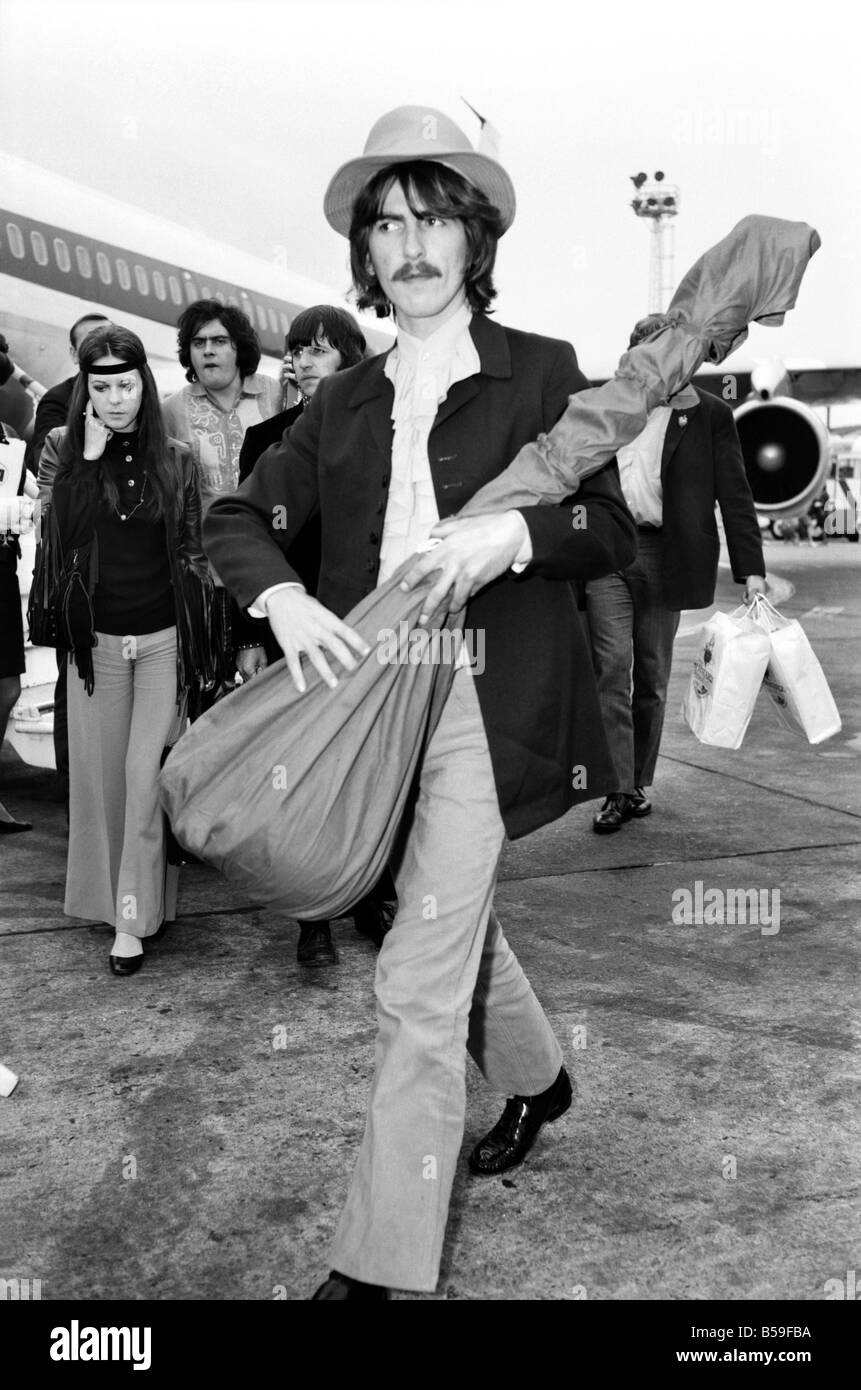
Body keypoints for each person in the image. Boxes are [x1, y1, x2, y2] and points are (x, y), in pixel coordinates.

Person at [204, 105, 637, 1299]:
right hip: (365, 711)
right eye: (387, 221)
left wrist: (516, 533)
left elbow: (607, 531)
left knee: (413, 981)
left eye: (434, 217)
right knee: (438, 920)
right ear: (365, 251)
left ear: (475, 236)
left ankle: (381, 1264)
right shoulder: (338, 404)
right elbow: (241, 519)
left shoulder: (540, 370)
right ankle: (542, 1077)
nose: (411, 243)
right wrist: (284, 602)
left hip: (482, 710)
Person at [36, 326, 214, 975]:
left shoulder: (178, 457)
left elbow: (193, 551)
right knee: (101, 784)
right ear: (88, 387)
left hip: (163, 642)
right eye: (102, 385)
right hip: (96, 646)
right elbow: (60, 539)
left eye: (126, 383)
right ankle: (116, 903)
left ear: (145, 381)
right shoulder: (62, 446)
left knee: (144, 780)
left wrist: (208, 642)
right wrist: (84, 458)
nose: (115, 398)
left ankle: (132, 920)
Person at [238, 304, 394, 965]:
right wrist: (245, 633)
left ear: (351, 362)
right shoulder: (267, 437)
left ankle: (370, 893)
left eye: (320, 350)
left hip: (363, 623)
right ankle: (310, 918)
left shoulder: (379, 436)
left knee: (369, 768)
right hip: (289, 626)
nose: (302, 359)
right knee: (300, 776)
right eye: (296, 349)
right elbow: (243, 534)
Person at [587, 313, 767, 833]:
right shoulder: (608, 407)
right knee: (609, 670)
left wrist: (751, 570)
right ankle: (617, 789)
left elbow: (735, 495)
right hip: (609, 551)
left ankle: (637, 781)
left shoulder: (709, 415)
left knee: (652, 677)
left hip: (669, 553)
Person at [162, 301, 281, 704]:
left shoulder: (276, 393)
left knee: (272, 692)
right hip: (208, 576)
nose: (208, 350)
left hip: (270, 564)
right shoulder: (173, 409)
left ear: (239, 348)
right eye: (198, 343)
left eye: (219, 341)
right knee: (212, 694)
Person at [26, 311, 112, 812]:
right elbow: (49, 500)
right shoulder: (60, 409)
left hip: (127, 581)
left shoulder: (139, 414)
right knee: (75, 685)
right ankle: (75, 792)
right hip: (78, 574)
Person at [0, 420, 36, 833]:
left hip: (1, 570)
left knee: (6, 687)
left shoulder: (5, 432)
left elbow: (35, 493)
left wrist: (26, 513)